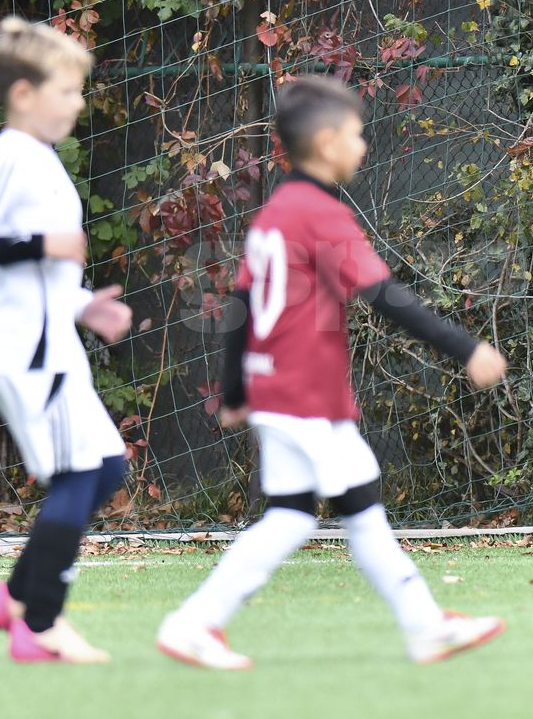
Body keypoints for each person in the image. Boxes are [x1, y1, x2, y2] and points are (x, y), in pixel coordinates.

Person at [156, 75, 509, 670]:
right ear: (326, 143)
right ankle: (424, 627)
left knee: (291, 515)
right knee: (358, 505)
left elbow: (241, 307)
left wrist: (236, 391)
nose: (363, 145)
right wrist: (467, 348)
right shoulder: (321, 215)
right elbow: (386, 296)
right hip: (306, 395)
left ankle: (196, 623)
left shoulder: (274, 214)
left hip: (274, 390)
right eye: (356, 134)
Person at [0, 17, 133, 663]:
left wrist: (83, 306)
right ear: (23, 94)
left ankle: (16, 597)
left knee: (106, 467)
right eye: (67, 90)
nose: (78, 102)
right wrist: (43, 244)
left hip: (49, 346)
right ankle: (41, 622)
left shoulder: (40, 160)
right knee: (82, 472)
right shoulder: (10, 155)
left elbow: (38, 278)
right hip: (23, 351)